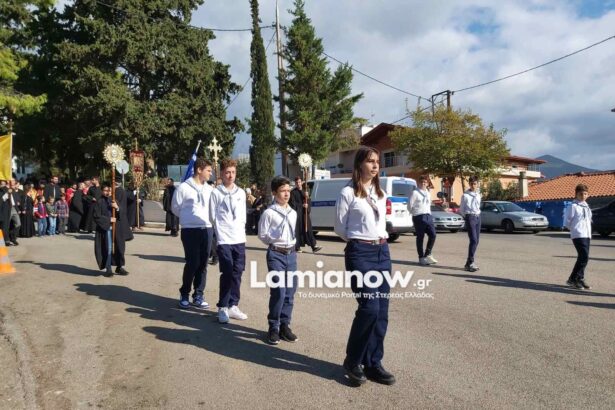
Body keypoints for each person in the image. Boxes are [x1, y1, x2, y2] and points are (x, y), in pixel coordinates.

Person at [334, 146, 396, 387]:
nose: (375, 165)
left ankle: (373, 363)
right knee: (369, 308)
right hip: (360, 253)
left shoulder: (380, 193)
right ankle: (353, 361)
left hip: (382, 252)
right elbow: (340, 227)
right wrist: (360, 240)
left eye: (377, 161)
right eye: (370, 161)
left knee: (381, 312)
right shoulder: (348, 192)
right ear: (359, 164)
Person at [258, 176, 299, 345]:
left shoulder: (293, 213)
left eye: (288, 190)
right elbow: (262, 235)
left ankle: (284, 325)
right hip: (276, 254)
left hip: (291, 254)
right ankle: (273, 327)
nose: (287, 194)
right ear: (275, 193)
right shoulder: (269, 213)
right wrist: (274, 238)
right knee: (279, 292)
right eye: (283, 191)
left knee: (290, 292)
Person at [171, 158, 214, 309]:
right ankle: (184, 293)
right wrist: (188, 219)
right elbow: (175, 207)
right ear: (199, 170)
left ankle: (198, 295)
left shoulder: (210, 189)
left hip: (207, 228)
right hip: (190, 230)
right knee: (192, 263)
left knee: (203, 264)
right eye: (208, 170)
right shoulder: (183, 187)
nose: (210, 173)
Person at [210, 159, 248, 324]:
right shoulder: (216, 193)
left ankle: (233, 305)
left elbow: (243, 215)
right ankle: (223, 306)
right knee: (227, 271)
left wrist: (240, 230)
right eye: (227, 172)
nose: (230, 175)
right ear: (222, 174)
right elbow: (212, 216)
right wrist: (220, 232)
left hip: (239, 238)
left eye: (233, 172)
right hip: (224, 238)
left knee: (237, 272)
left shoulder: (241, 193)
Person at [93, 184, 127, 276]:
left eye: (109, 191)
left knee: (119, 248)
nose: (107, 192)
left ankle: (119, 267)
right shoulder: (99, 202)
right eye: (105, 190)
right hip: (106, 228)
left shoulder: (114, 200)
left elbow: (122, 213)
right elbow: (96, 216)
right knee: (108, 248)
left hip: (117, 228)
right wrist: (109, 219)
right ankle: (108, 268)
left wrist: (117, 208)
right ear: (102, 191)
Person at [564, 184, 592, 290]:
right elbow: (567, 221)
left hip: (587, 234)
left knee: (583, 257)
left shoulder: (586, 206)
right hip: (578, 234)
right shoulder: (573, 206)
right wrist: (574, 229)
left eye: (585, 194)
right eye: (581, 194)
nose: (583, 196)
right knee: (584, 256)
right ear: (576, 194)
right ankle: (575, 279)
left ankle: (577, 278)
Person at [409, 175, 438, 265]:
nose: (423, 184)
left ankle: (427, 254)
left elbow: (428, 204)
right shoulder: (415, 193)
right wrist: (415, 213)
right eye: (421, 182)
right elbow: (409, 206)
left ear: (427, 183)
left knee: (433, 234)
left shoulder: (428, 193)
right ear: (418, 183)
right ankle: (421, 258)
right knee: (420, 237)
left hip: (428, 216)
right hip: (419, 216)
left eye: (425, 182)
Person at [290, 176, 322, 253]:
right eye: (297, 182)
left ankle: (314, 246)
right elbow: (293, 204)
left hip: (305, 214)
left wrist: (307, 201)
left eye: (299, 182)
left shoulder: (305, 191)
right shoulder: (293, 192)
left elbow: (309, 201)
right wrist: (302, 205)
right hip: (298, 215)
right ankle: (297, 247)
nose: (298, 184)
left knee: (309, 230)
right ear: (295, 183)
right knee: (298, 231)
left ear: (301, 182)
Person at [459, 176, 481, 272]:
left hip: (478, 217)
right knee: (473, 240)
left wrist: (477, 215)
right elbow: (461, 209)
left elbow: (478, 206)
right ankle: (471, 262)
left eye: (475, 184)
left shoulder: (478, 194)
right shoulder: (465, 195)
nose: (473, 185)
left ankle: (468, 263)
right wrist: (468, 217)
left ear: (477, 184)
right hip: (470, 217)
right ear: (469, 184)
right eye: (471, 184)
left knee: (477, 241)